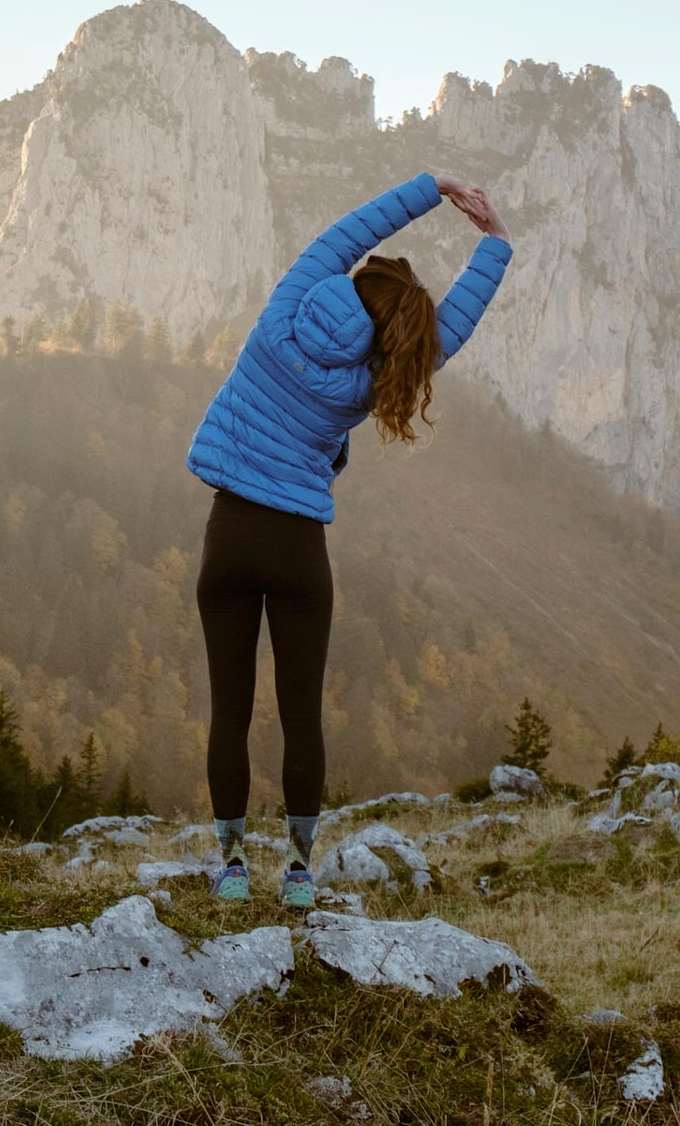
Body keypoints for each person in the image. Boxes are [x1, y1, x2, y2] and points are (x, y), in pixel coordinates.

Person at [183, 170, 513, 906]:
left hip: (229, 536)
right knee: (302, 716)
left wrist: (431, 187)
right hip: (299, 550)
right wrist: (491, 241)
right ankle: (299, 874)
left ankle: (231, 869)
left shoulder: (280, 316)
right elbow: (448, 331)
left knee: (229, 710)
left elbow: (350, 232)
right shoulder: (369, 380)